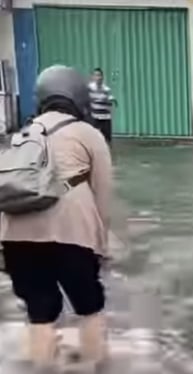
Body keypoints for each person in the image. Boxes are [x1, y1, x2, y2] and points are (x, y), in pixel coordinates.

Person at [1, 65, 113, 369]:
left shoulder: (20, 135)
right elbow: (103, 195)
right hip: (71, 236)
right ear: (78, 96)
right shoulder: (89, 134)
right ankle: (93, 360)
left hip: (17, 239)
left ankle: (42, 362)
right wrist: (102, 247)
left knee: (39, 308)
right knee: (89, 304)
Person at [88, 67, 115, 143]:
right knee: (93, 139)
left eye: (100, 75)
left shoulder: (106, 89)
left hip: (105, 117)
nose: (98, 78)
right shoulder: (89, 88)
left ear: (102, 77)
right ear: (93, 77)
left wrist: (112, 100)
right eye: (96, 75)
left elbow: (110, 98)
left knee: (107, 139)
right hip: (95, 117)